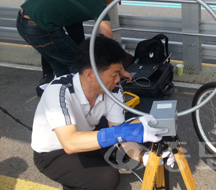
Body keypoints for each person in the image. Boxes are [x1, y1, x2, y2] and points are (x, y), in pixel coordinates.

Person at [31, 35, 172, 190]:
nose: (119, 79)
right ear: (91, 75)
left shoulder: (113, 90)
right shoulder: (59, 92)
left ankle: (102, 161)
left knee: (149, 137)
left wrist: (144, 157)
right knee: (107, 178)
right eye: (114, 74)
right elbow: (70, 143)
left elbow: (120, 136)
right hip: (55, 153)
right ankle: (72, 182)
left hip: (88, 134)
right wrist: (122, 133)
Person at [16, 0, 132, 85]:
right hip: (40, 29)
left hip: (22, 19)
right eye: (116, 1)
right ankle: (82, 99)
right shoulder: (98, 5)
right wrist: (120, 70)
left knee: (59, 66)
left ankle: (64, 95)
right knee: (79, 64)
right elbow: (108, 42)